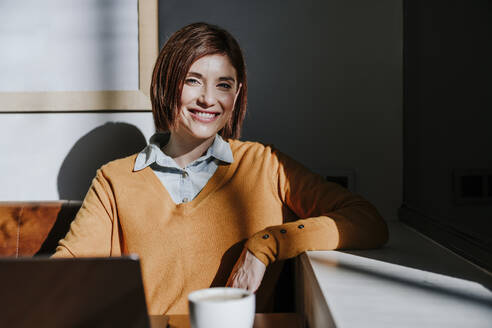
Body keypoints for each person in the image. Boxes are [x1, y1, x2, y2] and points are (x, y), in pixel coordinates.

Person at [53, 22, 389, 314]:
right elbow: (62, 276)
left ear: (237, 93)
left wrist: (267, 244)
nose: (208, 99)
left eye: (223, 85)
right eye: (193, 81)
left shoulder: (265, 164)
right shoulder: (115, 180)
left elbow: (367, 221)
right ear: (166, 84)